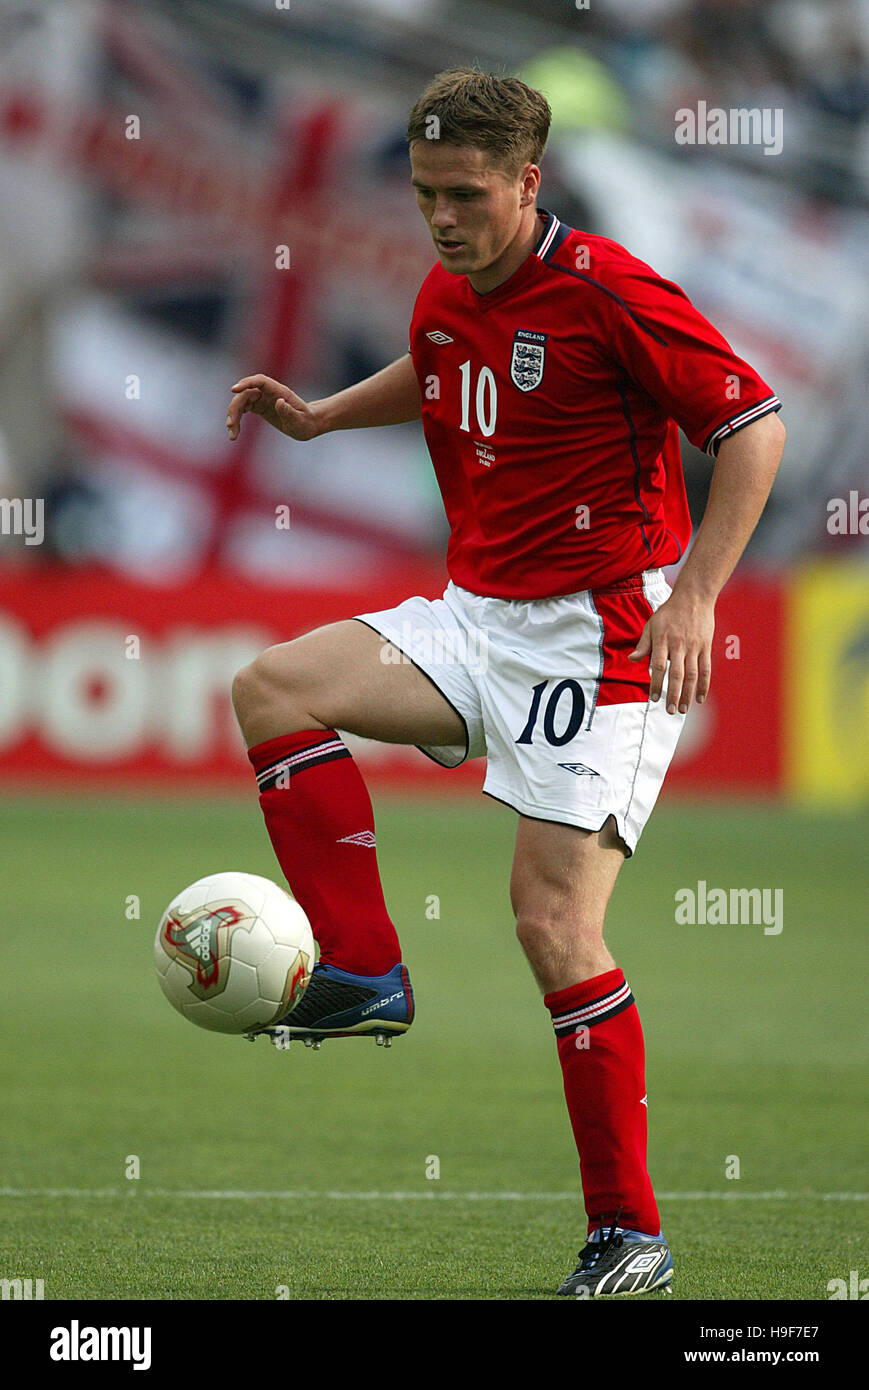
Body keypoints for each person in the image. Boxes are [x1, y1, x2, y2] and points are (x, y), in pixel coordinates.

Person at [226, 67, 785, 1298]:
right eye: (425, 193)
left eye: (465, 195)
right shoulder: (447, 285)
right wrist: (318, 418)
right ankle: (368, 970)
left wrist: (694, 593)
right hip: (476, 617)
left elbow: (752, 428)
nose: (439, 217)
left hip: (603, 641)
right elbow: (439, 371)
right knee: (269, 687)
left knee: (550, 925)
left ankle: (627, 1233)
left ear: (528, 183)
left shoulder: (611, 291)